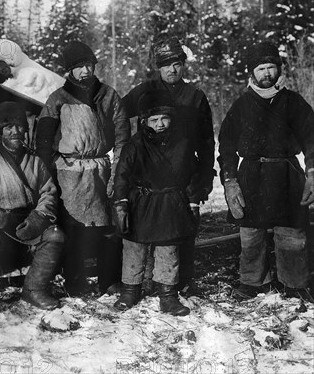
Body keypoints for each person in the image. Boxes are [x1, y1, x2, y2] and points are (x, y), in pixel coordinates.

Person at [218, 41, 314, 302]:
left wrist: (312, 173)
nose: (267, 74)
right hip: (252, 173)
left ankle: (294, 283)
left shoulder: (293, 102)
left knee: (292, 232)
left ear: (279, 69)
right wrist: (230, 181)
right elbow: (225, 145)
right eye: (261, 68)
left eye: (271, 67)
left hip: (287, 173)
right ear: (252, 73)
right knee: (251, 234)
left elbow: (311, 138)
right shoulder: (241, 105)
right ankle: (251, 282)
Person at [122, 36, 215, 295]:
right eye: (166, 65)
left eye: (176, 63)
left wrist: (205, 177)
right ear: (158, 67)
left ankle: (182, 281)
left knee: (183, 229)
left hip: (185, 173)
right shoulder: (145, 91)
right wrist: (122, 145)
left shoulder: (195, 96)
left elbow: (207, 142)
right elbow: (118, 113)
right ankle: (149, 282)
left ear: (183, 65)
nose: (171, 70)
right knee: (145, 229)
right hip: (149, 172)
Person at [35, 41, 130, 295]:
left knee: (106, 229)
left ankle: (109, 280)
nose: (85, 71)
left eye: (88, 65)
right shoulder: (57, 99)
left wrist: (117, 173)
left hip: (100, 169)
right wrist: (49, 177)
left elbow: (122, 137)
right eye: (78, 67)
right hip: (68, 173)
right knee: (73, 229)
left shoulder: (109, 96)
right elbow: (43, 142)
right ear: (69, 71)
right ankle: (74, 280)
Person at [0, 102, 65, 312]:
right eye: (8, 128)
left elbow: (49, 193)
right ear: (0, 132)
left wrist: (39, 217)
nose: (15, 132)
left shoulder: (36, 162)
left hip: (28, 224)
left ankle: (34, 290)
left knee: (55, 235)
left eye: (19, 127)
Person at [112, 90, 200, 316]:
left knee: (167, 249)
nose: (160, 124)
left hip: (171, 202)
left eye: (164, 118)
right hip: (141, 201)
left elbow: (192, 175)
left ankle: (168, 296)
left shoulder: (183, 143)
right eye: (154, 120)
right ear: (144, 121)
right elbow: (122, 174)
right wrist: (121, 204)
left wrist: (193, 203)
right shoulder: (135, 144)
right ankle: (130, 291)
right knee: (134, 247)